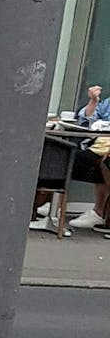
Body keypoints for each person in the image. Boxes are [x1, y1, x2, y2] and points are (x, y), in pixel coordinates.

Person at [62, 84, 110, 230]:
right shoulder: (108, 103)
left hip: (102, 148)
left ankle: (100, 212)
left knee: (104, 163)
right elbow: (87, 119)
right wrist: (94, 101)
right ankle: (53, 203)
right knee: (67, 159)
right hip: (100, 147)